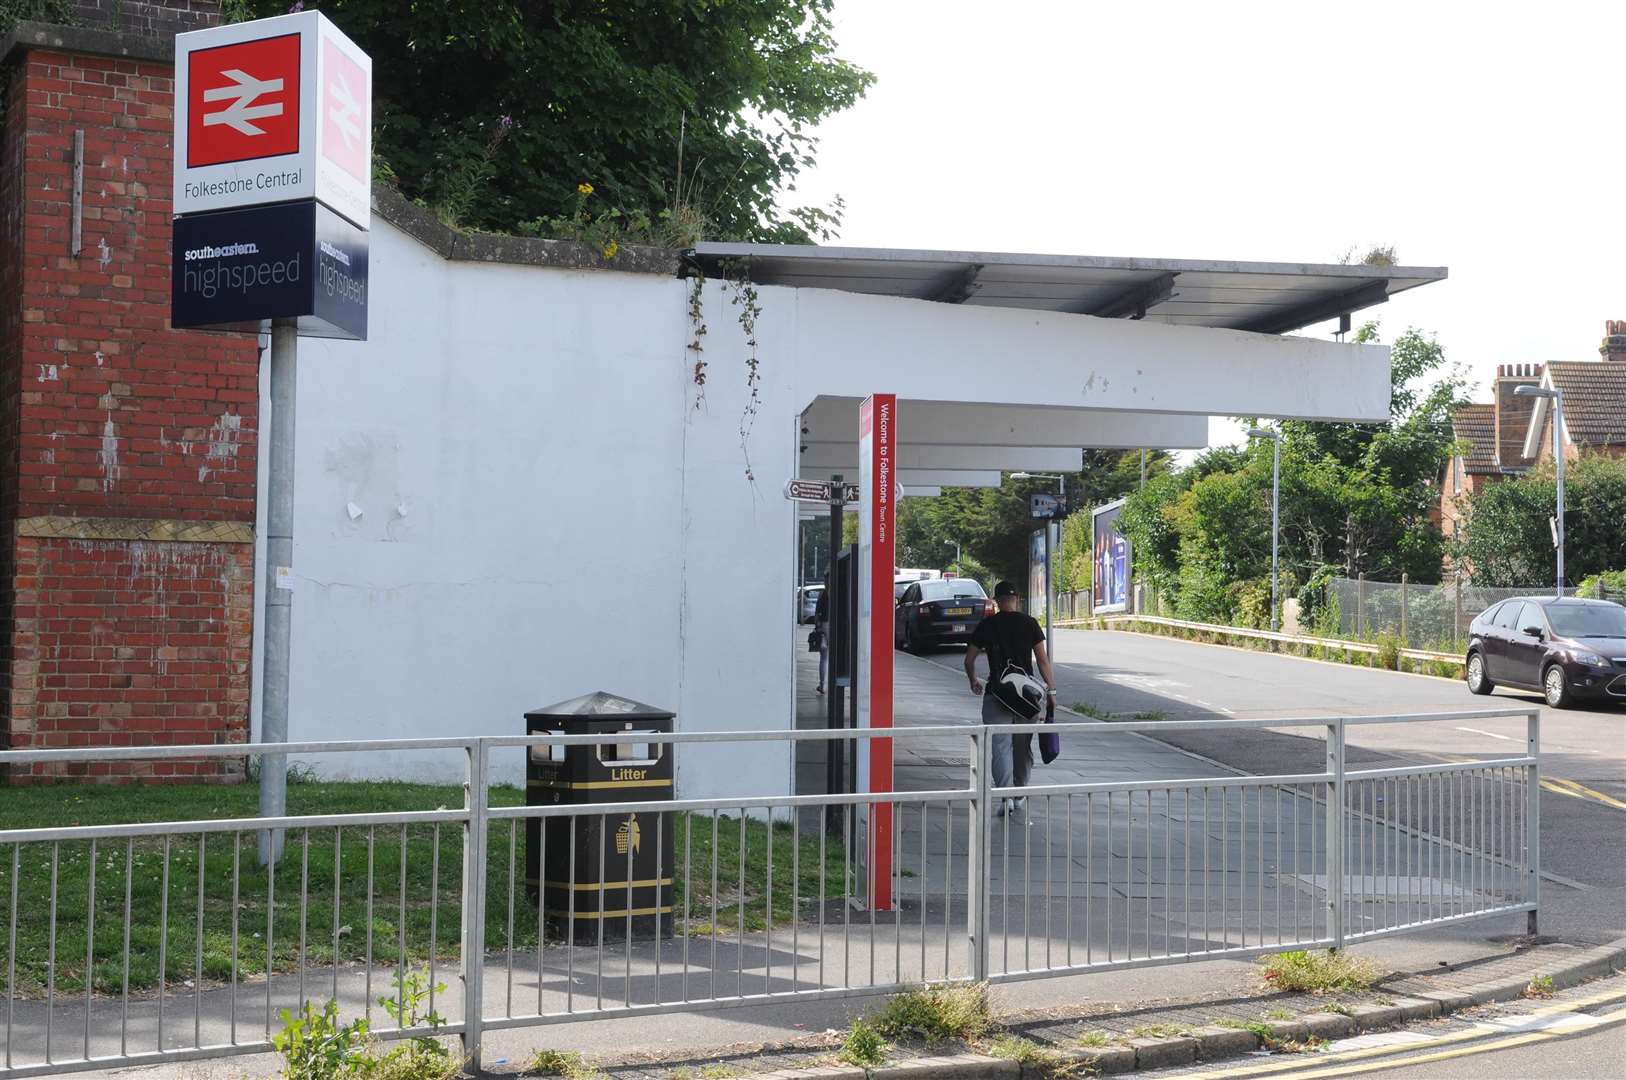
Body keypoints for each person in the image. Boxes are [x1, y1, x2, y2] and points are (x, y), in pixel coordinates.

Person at [964, 580, 1057, 815]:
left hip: (997, 693)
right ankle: (1018, 794)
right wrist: (1051, 690)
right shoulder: (1030, 623)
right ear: (1017, 599)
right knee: (1023, 746)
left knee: (1000, 746)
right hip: (1026, 697)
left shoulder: (987, 624)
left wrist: (973, 680)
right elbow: (1043, 660)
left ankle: (1004, 797)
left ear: (996, 600)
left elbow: (969, 659)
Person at [814, 583, 830, 694]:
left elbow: (817, 612)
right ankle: (831, 684)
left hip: (824, 625)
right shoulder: (840, 592)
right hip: (837, 627)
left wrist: (817, 627)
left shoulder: (823, 593)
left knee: (824, 657)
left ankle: (823, 685)